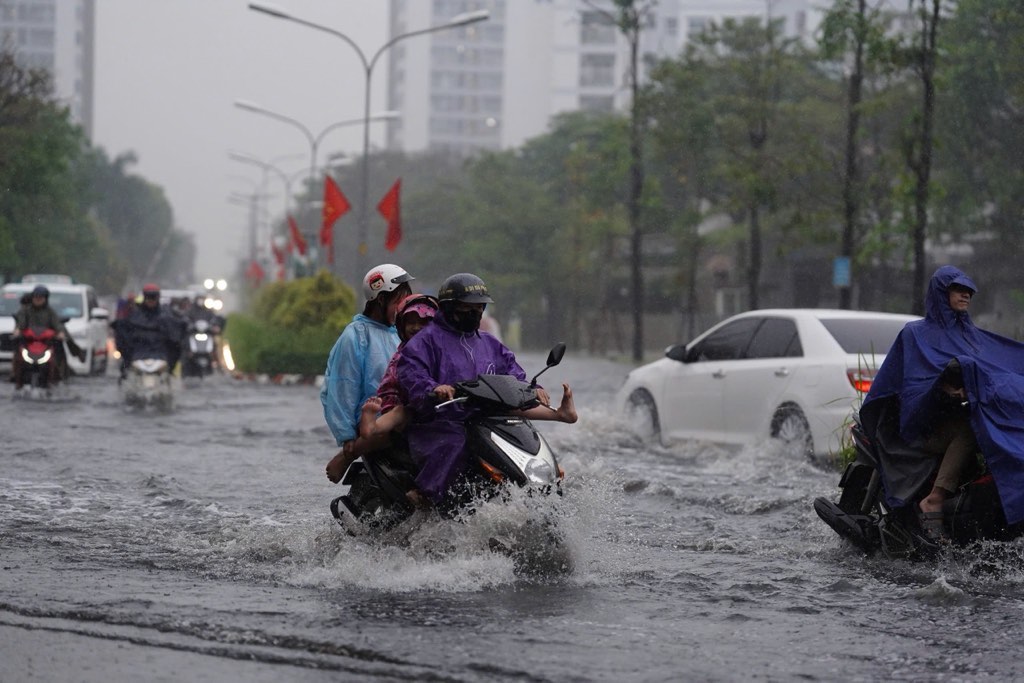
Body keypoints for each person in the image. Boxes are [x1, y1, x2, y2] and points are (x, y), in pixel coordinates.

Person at [861, 265, 1024, 542]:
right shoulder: (915, 334)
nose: (966, 295)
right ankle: (934, 500)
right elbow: (914, 383)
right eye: (958, 290)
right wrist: (944, 389)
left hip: (961, 414)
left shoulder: (973, 337)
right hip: (919, 429)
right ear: (941, 292)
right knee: (968, 430)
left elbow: (1000, 367)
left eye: (969, 291)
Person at [396, 272, 577, 505]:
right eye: (467, 307)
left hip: (488, 419)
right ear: (449, 307)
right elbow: (412, 373)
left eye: (479, 307)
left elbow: (513, 373)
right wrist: (434, 388)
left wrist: (534, 390)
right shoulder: (425, 341)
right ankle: (429, 496)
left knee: (528, 441)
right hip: (442, 422)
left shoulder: (489, 343)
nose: (475, 312)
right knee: (455, 444)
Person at [321, 264, 413, 479]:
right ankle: (349, 455)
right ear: (381, 299)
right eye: (399, 301)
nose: (402, 309)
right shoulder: (355, 336)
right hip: (373, 419)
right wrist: (347, 438)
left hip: (400, 413)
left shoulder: (400, 332)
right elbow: (342, 386)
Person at [10, 285, 84, 388]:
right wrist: (18, 331)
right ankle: (16, 375)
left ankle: (60, 373)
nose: (38, 300)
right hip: (29, 342)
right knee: (18, 352)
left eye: (41, 298)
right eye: (36, 297)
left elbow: (57, 324)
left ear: (45, 299)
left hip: (46, 343)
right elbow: (20, 324)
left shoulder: (50, 312)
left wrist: (60, 333)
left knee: (58, 350)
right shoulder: (25, 310)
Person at [111, 283, 187, 374]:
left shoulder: (166, 316)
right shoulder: (134, 316)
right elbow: (123, 337)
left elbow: (176, 339)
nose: (151, 300)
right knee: (125, 374)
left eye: (153, 297)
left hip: (161, 357)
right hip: (138, 356)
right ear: (144, 297)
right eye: (148, 297)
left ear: (158, 297)